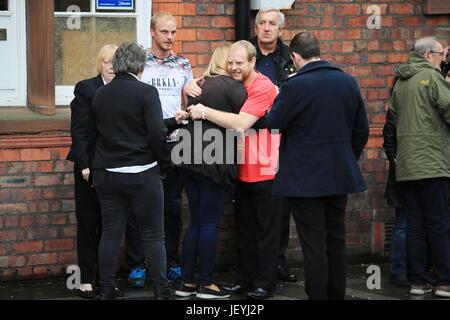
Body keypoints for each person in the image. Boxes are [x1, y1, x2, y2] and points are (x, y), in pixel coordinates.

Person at [265, 32, 369, 300]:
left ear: (296, 57)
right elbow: (362, 130)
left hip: (304, 179)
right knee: (336, 241)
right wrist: (345, 157)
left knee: (314, 245)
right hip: (339, 174)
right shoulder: (347, 81)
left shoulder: (296, 85)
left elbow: (274, 123)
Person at [189, 40, 281, 300]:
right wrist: (190, 84)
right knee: (245, 228)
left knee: (265, 230)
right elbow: (205, 82)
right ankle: (245, 280)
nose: (233, 67)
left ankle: (264, 283)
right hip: (241, 167)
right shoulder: (234, 83)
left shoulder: (262, 86)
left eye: (239, 63)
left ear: (253, 62)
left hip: (264, 168)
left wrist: (205, 111)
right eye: (230, 62)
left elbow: (241, 124)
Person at [89, 42, 172, 300]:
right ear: (140, 65)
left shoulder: (100, 95)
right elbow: (157, 133)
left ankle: (106, 289)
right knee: (154, 235)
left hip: (107, 173)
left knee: (111, 234)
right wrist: (164, 163)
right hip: (142, 172)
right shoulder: (146, 92)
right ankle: (161, 290)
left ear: (117, 64)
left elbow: (93, 136)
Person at [173, 44, 247, 299]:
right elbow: (248, 119)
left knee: (196, 221)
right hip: (213, 159)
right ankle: (206, 283)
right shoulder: (234, 88)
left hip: (187, 155)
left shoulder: (198, 84)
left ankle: (186, 282)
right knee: (211, 222)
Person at [126, 11, 194, 286]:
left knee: (172, 206)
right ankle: (136, 266)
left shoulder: (183, 64)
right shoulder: (140, 62)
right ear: (152, 32)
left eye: (173, 32)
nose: (170, 38)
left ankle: (171, 261)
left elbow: (188, 98)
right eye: (164, 32)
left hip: (175, 141)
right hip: (144, 141)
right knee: (137, 206)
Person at [390, 36, 450, 298]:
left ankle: (417, 281)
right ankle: (446, 281)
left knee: (414, 224)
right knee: (438, 223)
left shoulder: (400, 83)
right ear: (427, 55)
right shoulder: (432, 78)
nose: (442, 59)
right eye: (440, 55)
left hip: (407, 166)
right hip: (433, 163)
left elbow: (394, 115)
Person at [66, 44, 117, 299]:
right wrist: (85, 165)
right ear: (100, 64)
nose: (111, 66)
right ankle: (86, 279)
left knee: (111, 226)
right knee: (88, 223)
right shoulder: (86, 88)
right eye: (107, 62)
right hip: (89, 167)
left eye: (115, 62)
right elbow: (79, 131)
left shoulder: (123, 91)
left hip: (115, 167)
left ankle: (106, 280)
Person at [251, 7, 297, 283]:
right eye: (262, 23)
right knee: (251, 207)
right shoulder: (244, 54)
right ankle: (253, 265)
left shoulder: (291, 58)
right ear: (255, 28)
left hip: (282, 140)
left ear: (281, 30)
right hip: (251, 138)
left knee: (280, 205)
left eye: (272, 24)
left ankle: (277, 261)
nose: (267, 28)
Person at [382, 85, 409, 288]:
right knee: (403, 223)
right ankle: (398, 269)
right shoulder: (397, 110)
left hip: (407, 172)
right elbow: (388, 140)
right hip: (404, 175)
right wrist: (397, 162)